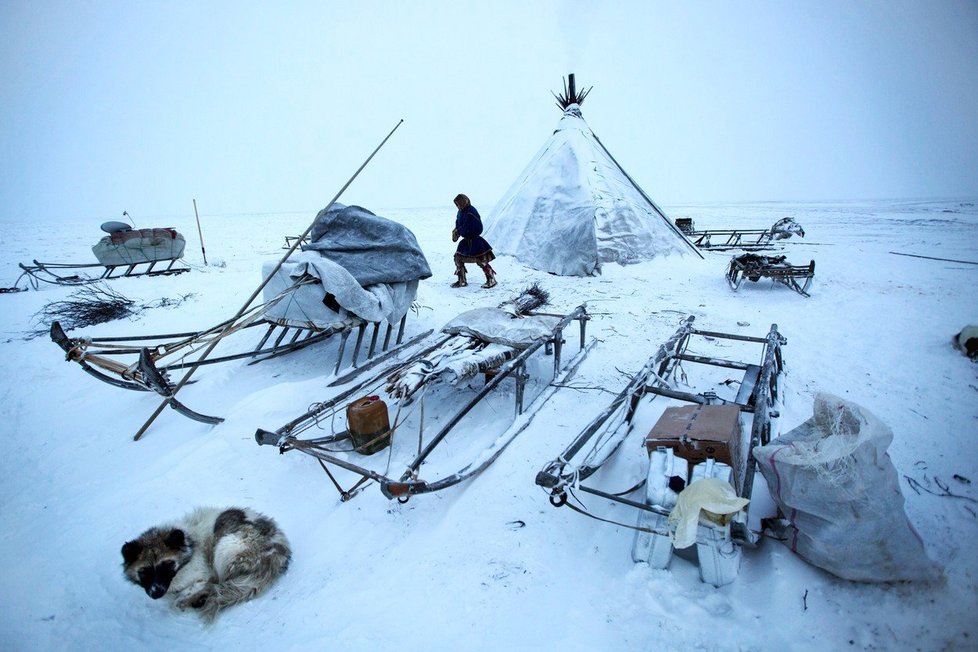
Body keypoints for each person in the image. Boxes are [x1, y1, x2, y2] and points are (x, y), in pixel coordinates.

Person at [451, 193, 497, 288]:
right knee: (458, 258)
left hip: (476, 241)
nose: (457, 206)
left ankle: (491, 279)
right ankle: (462, 280)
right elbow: (458, 223)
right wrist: (456, 231)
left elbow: (476, 226)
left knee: (481, 260)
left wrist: (461, 230)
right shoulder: (460, 213)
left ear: (463, 202)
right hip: (465, 241)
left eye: (458, 204)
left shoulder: (471, 211)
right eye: (456, 204)